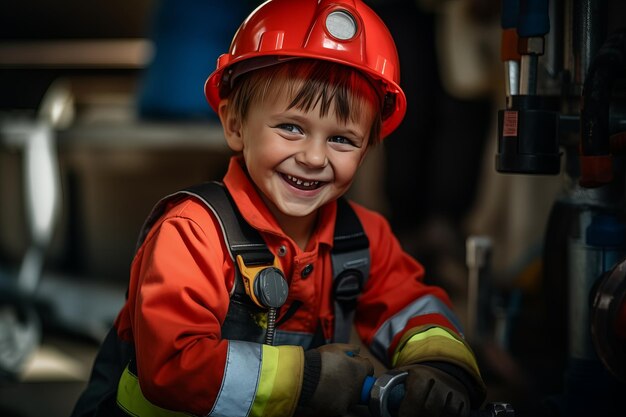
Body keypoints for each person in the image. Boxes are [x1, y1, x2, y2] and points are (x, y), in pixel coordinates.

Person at [71, 1, 486, 416]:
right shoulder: (192, 232)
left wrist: (444, 367)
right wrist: (306, 380)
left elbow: (414, 309)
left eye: (342, 139)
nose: (313, 157)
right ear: (234, 124)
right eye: (291, 128)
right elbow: (171, 367)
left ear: (368, 149)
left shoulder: (364, 238)